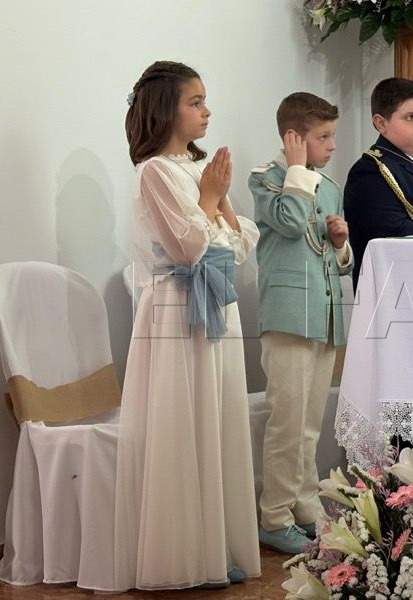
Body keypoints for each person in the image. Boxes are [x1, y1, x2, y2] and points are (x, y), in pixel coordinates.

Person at [112, 61, 260, 591]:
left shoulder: (200, 168)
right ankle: (183, 556)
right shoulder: (155, 172)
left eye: (204, 100)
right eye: (195, 102)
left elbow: (238, 247)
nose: (207, 111)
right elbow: (190, 248)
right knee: (183, 424)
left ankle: (216, 546)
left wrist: (215, 199)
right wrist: (212, 199)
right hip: (176, 309)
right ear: (165, 110)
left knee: (216, 421)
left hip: (216, 303)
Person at [248, 92, 352, 554]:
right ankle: (274, 515)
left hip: (324, 317)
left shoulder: (328, 186)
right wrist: (294, 170)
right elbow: (290, 223)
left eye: (332, 136)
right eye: (322, 137)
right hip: (288, 317)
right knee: (287, 423)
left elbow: (337, 261)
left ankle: (305, 507)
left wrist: (342, 243)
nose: (332, 146)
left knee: (310, 424)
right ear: (293, 138)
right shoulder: (265, 180)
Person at [343, 77, 413, 291]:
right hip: (395, 289)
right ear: (381, 123)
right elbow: (394, 233)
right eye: (410, 117)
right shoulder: (370, 171)